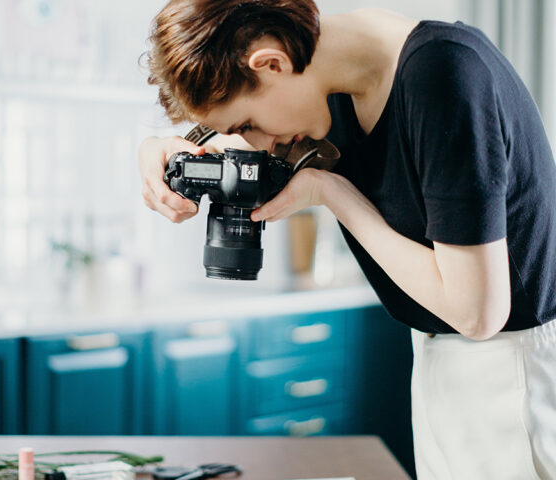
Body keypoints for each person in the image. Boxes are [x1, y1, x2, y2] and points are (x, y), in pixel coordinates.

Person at [138, 1, 556, 478]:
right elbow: (214, 144)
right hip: (440, 360)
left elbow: (479, 312)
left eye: (248, 125)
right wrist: (156, 153)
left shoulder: (443, 74)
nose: (257, 144)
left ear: (272, 62)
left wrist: (334, 194)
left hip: (512, 376)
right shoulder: (328, 90)